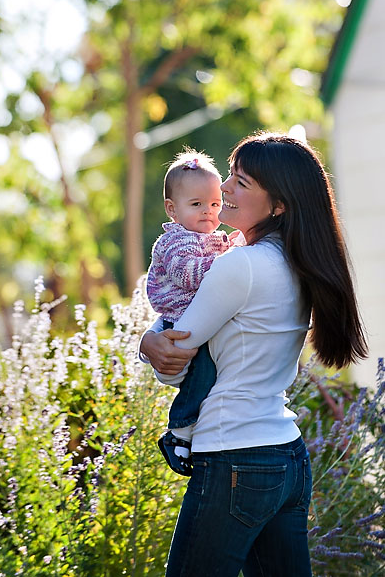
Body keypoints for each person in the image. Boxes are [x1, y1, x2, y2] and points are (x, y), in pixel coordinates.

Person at [140, 132, 367, 576]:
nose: (222, 189)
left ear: (277, 205)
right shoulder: (292, 260)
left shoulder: (238, 265)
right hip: (286, 455)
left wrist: (147, 343)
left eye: (240, 182)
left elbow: (172, 366)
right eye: (229, 176)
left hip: (234, 455)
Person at [145, 150, 240, 476]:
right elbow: (191, 275)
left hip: (193, 316)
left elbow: (223, 256)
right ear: (173, 209)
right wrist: (229, 260)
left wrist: (232, 248)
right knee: (204, 368)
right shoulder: (174, 242)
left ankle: (189, 428)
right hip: (178, 318)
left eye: (215, 205)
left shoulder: (208, 238)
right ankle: (180, 429)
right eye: (197, 205)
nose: (208, 213)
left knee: (210, 369)